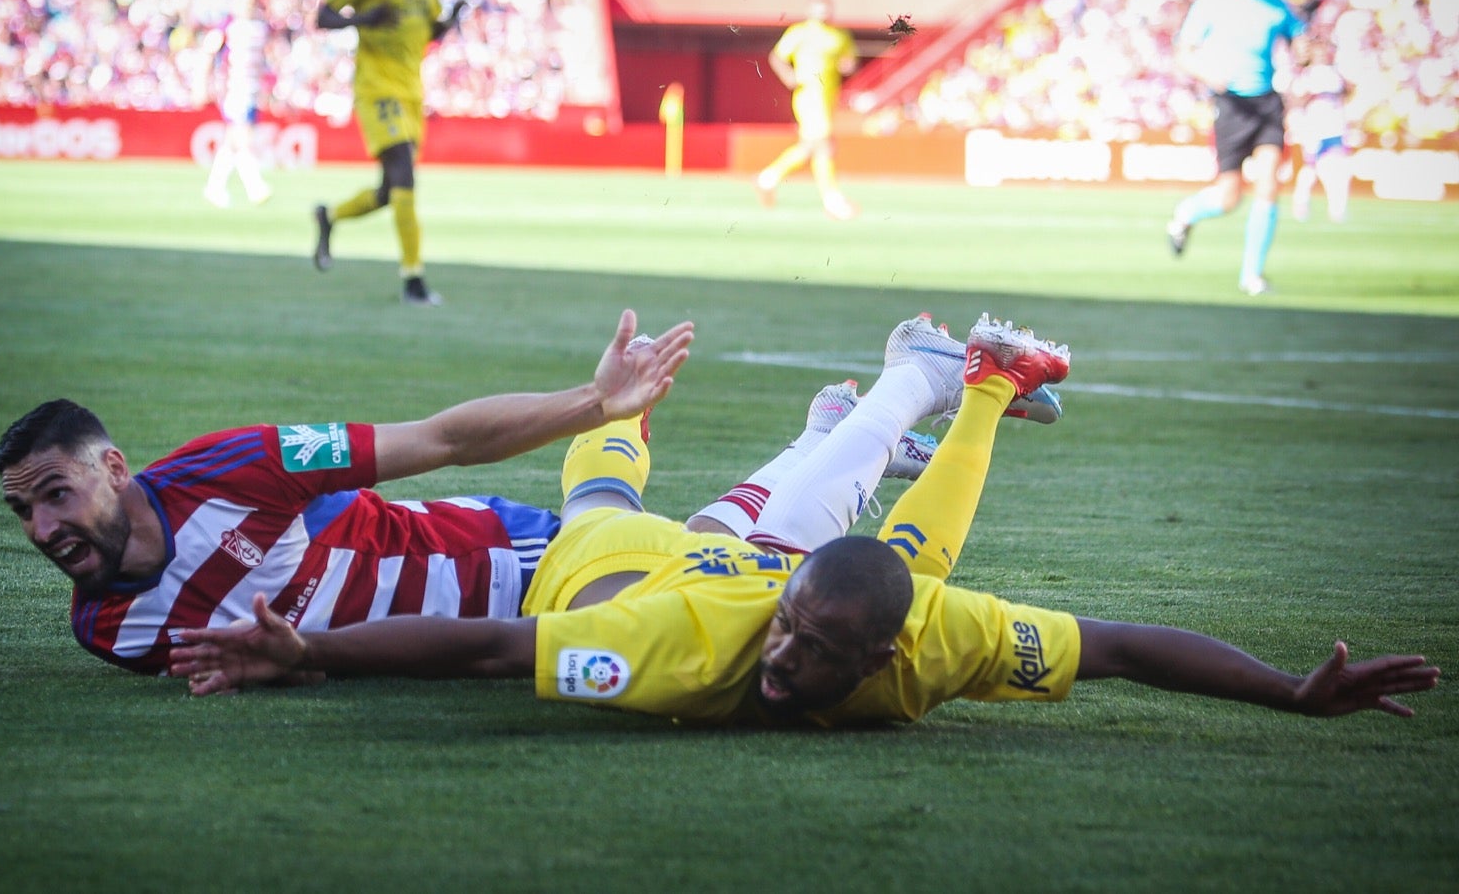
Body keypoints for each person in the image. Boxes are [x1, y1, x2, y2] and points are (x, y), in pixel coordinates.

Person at [171, 314, 1438, 724]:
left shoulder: (936, 638)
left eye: (815, 649)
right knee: (609, 498)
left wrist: (1288, 692)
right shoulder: (714, 628)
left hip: (728, 559)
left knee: (854, 537)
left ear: (883, 656)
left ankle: (916, 388)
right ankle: (932, 376)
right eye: (794, 635)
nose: (786, 660)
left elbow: (1114, 641)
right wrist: (314, 655)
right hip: (624, 566)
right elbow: (502, 650)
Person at [0, 310, 692, 675]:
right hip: (467, 644)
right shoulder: (108, 634)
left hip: (513, 564)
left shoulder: (236, 465)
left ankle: (622, 412)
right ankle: (621, 424)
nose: (41, 527)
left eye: (56, 494)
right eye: (23, 510)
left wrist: (588, 404)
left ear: (114, 469)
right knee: (617, 527)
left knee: (709, 590)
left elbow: (440, 440)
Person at [311, 0, 465, 306]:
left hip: (412, 92)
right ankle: (413, 280)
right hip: (376, 88)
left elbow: (426, 31)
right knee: (403, 173)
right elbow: (322, 16)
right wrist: (361, 19)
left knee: (389, 190)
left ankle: (330, 216)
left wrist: (449, 22)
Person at [1166, 0, 1306, 296]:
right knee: (1229, 198)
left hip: (1267, 103)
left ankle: (1252, 276)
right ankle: (1185, 215)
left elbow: (1300, 41)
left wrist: (1306, 51)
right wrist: (1207, 73)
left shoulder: (1275, 5)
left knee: (1270, 183)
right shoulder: (1212, 1)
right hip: (1231, 104)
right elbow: (1184, 52)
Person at [756, 0, 860, 221]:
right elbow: (777, 56)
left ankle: (768, 178)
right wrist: (789, 77)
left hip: (828, 97)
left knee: (810, 147)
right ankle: (832, 201)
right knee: (823, 145)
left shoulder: (839, 36)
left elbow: (849, 61)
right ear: (810, 10)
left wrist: (846, 66)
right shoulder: (800, 32)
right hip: (809, 96)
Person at [202, 0, 273, 209]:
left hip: (251, 90)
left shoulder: (261, 29)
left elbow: (264, 62)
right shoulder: (226, 28)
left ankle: (214, 187)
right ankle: (255, 187)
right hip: (234, 89)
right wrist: (204, 84)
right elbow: (208, 54)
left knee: (232, 142)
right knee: (243, 138)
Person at [1287, 33, 1353, 223]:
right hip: (1314, 128)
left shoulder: (1335, 73)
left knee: (1338, 169)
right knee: (1311, 168)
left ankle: (1337, 209)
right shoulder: (1307, 75)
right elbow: (1297, 100)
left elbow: (1346, 92)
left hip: (1335, 127)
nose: (1323, 53)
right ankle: (1300, 203)